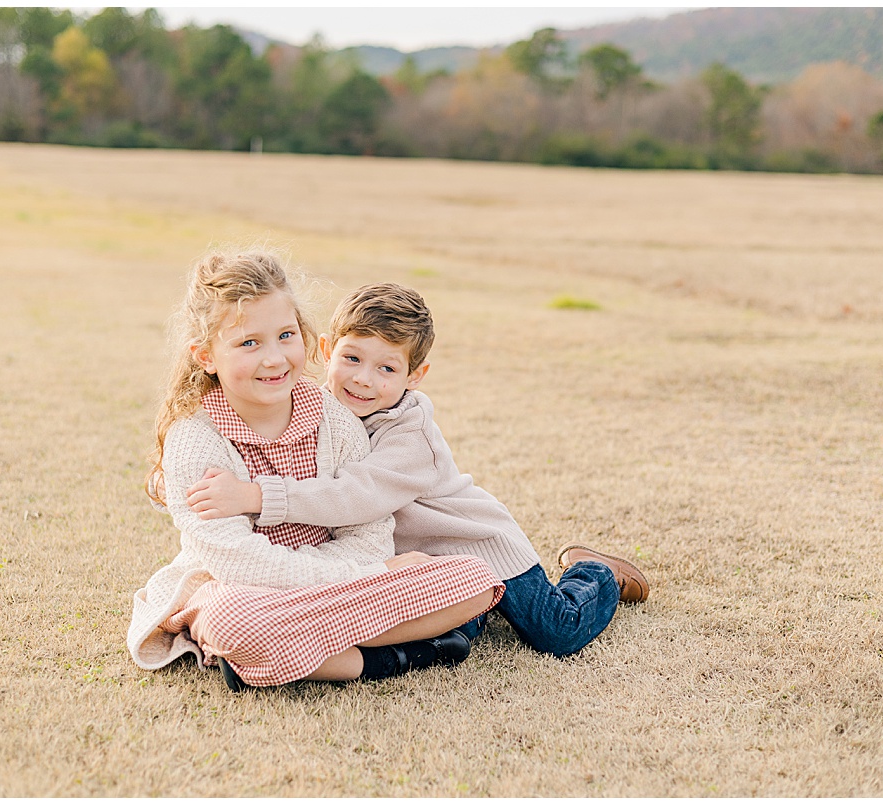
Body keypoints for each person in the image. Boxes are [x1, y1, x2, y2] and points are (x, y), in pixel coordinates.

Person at [185, 282, 649, 659]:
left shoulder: (412, 438)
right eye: (352, 359)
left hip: (475, 543)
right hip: (412, 564)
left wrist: (259, 496)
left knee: (556, 632)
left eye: (386, 367)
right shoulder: (315, 408)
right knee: (448, 635)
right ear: (326, 350)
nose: (364, 379)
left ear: (415, 376)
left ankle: (594, 573)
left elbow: (356, 495)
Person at [128, 252, 503, 690]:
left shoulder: (334, 418)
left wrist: (357, 573)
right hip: (246, 591)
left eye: (286, 335)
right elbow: (236, 562)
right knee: (232, 619)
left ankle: (295, 651)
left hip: (334, 585)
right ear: (206, 355)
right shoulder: (195, 439)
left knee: (475, 581)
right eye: (249, 343)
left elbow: (369, 535)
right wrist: (371, 576)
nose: (274, 359)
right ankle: (387, 658)